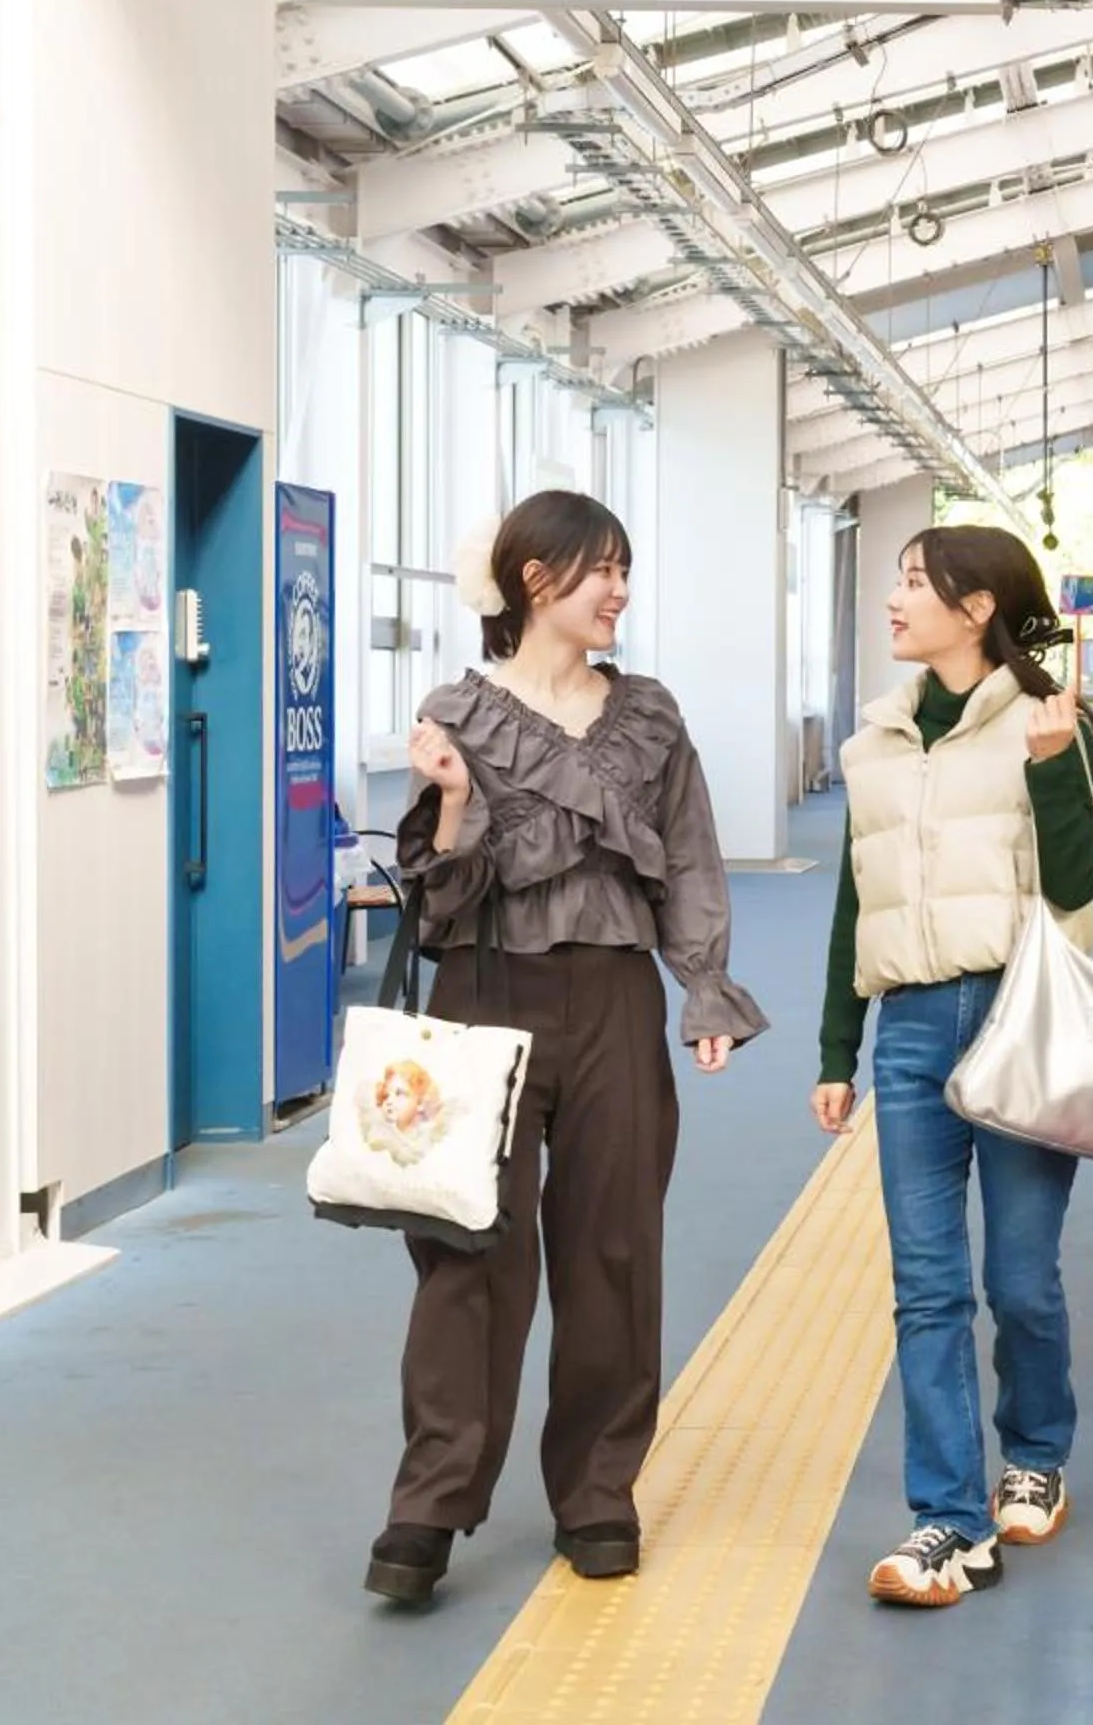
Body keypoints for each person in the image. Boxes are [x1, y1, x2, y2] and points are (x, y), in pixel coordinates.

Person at [366, 491, 767, 1608]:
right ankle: (430, 1501)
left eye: (625, 569)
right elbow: (438, 898)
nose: (619, 590)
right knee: (467, 1253)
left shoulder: (648, 716)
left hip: (612, 999)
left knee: (613, 1248)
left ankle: (598, 1489)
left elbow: (689, 858)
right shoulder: (458, 711)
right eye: (601, 569)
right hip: (484, 989)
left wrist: (704, 992)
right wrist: (451, 801)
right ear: (535, 579)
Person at [812, 525, 1093, 1610]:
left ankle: (1037, 1447)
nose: (893, 599)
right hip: (908, 1030)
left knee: (1019, 1280)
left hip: (1019, 1016)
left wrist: (1051, 767)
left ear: (977, 606)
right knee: (926, 1289)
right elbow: (860, 901)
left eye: (911, 581)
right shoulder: (875, 743)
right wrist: (838, 1047)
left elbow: (1076, 884)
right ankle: (951, 1518)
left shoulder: (1043, 724)